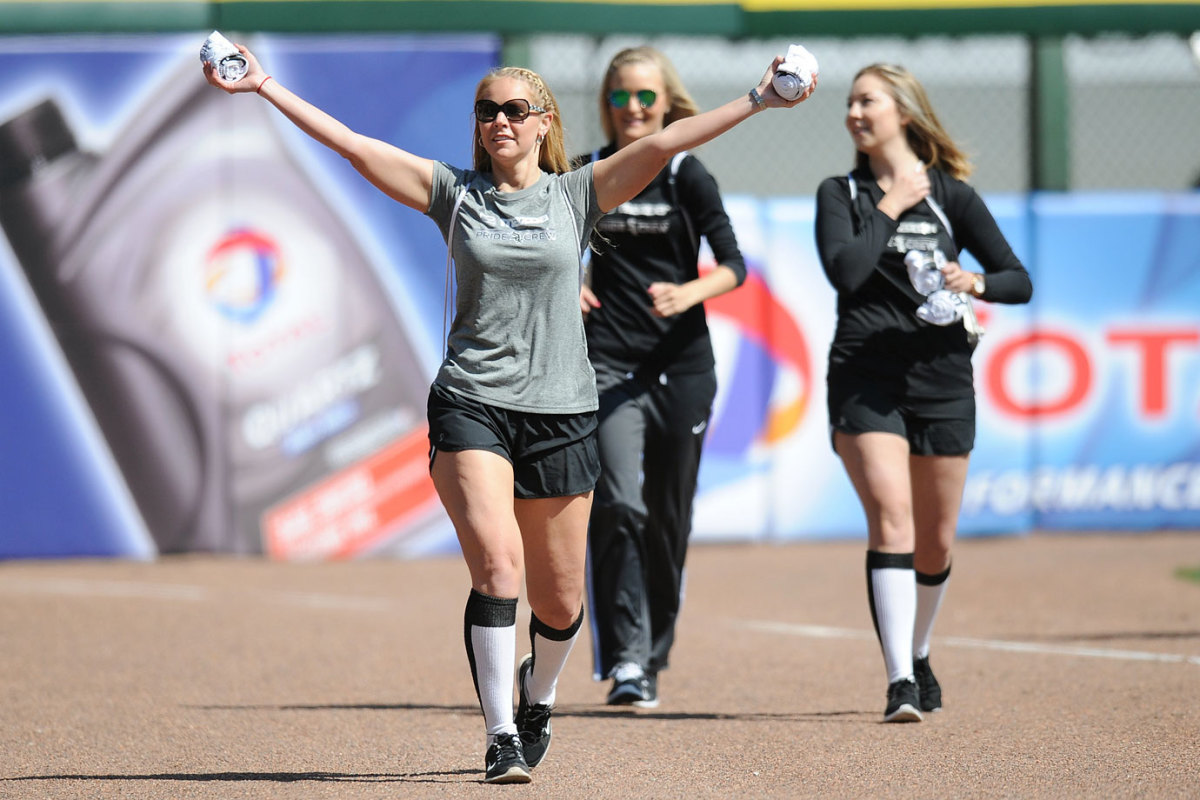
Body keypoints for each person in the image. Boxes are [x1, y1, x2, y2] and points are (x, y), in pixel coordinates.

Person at [205, 45, 815, 782]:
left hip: (561, 411)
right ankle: (500, 735)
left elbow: (661, 144)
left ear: (542, 124)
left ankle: (540, 691)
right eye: (487, 110)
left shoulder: (578, 194)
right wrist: (265, 85)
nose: (498, 120)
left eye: (514, 110)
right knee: (498, 568)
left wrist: (760, 99)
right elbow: (357, 148)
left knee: (558, 602)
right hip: (472, 403)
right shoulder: (454, 194)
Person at [813, 64, 1032, 723]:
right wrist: (889, 204)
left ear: (902, 113)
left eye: (867, 100)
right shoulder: (840, 193)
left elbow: (1017, 278)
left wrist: (975, 284)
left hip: (942, 378)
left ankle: (921, 647)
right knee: (893, 520)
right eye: (850, 101)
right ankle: (900, 680)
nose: (854, 111)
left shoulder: (951, 195)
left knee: (934, 542)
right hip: (864, 377)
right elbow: (846, 273)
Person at [575, 46, 748, 709]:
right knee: (620, 504)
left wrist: (693, 291)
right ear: (608, 105)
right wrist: (571, 284)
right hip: (608, 367)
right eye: (623, 97)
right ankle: (627, 661)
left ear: (667, 102)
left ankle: (652, 650)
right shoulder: (586, 172)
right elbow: (549, 248)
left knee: (667, 520)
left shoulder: (685, 173)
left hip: (683, 370)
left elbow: (734, 263)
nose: (635, 108)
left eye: (647, 96)